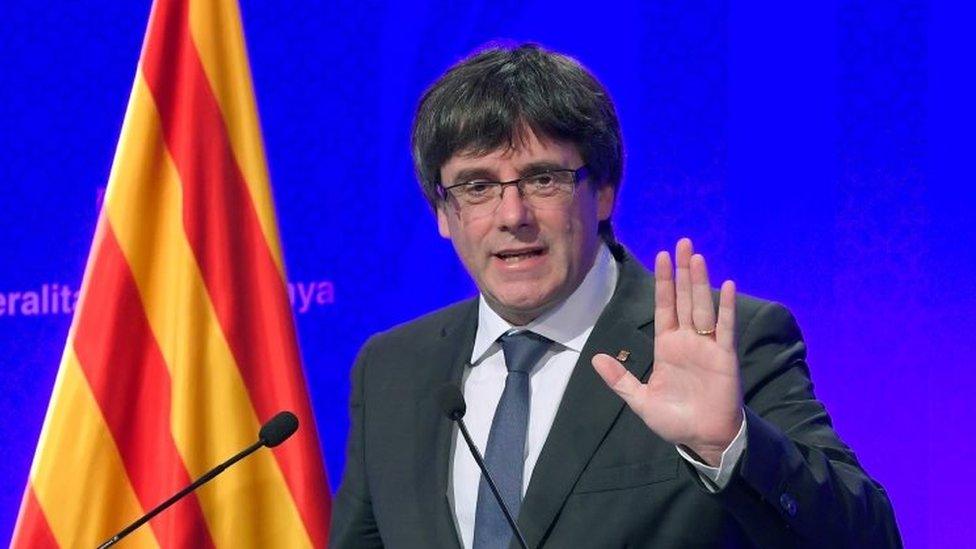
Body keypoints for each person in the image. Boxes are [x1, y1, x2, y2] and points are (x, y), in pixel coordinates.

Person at [329, 43, 901, 548]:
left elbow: (869, 539)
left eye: (542, 179)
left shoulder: (730, 341)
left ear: (603, 191)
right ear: (443, 213)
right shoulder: (392, 368)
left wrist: (729, 447)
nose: (512, 215)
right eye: (477, 186)